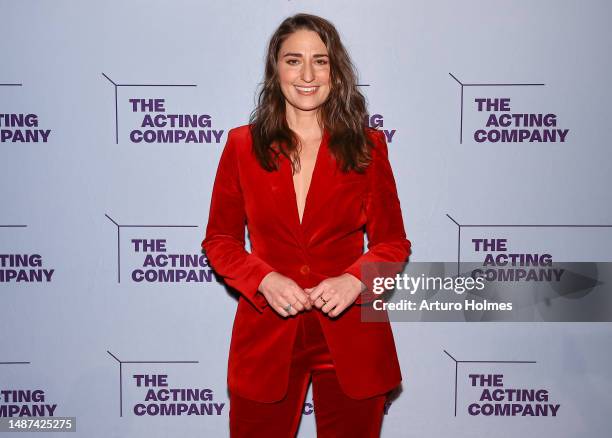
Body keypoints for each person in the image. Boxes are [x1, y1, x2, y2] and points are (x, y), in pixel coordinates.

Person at [202, 13, 411, 438]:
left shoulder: (368, 146)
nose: (308, 74)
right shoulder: (242, 145)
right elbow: (220, 240)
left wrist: (355, 281)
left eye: (321, 61)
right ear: (275, 68)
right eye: (293, 60)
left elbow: (392, 243)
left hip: (351, 334)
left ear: (336, 71)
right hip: (267, 333)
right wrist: (263, 279)